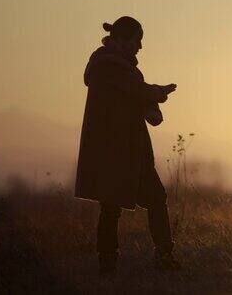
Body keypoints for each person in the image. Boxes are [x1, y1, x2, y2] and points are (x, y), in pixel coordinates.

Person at [75, 16, 179, 275]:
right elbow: (137, 91)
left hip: (128, 151)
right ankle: (117, 265)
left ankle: (119, 265)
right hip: (114, 151)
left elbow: (134, 93)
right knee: (118, 206)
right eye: (137, 40)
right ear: (121, 39)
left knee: (134, 203)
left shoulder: (120, 68)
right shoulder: (108, 67)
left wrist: (151, 104)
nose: (140, 46)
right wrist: (157, 93)